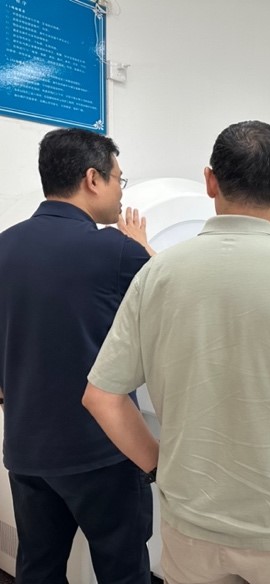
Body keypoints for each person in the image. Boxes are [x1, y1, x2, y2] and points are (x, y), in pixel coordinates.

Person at [83, 120, 270, 583]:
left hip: (193, 524)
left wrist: (161, 466)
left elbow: (101, 397)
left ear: (210, 181)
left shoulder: (156, 276)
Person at [0, 128, 153, 583]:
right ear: (92, 179)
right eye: (119, 180)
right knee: (122, 570)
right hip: (102, 452)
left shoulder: (4, 246)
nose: (120, 191)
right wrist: (143, 248)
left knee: (38, 568)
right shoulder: (117, 251)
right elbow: (175, 302)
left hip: (26, 450)